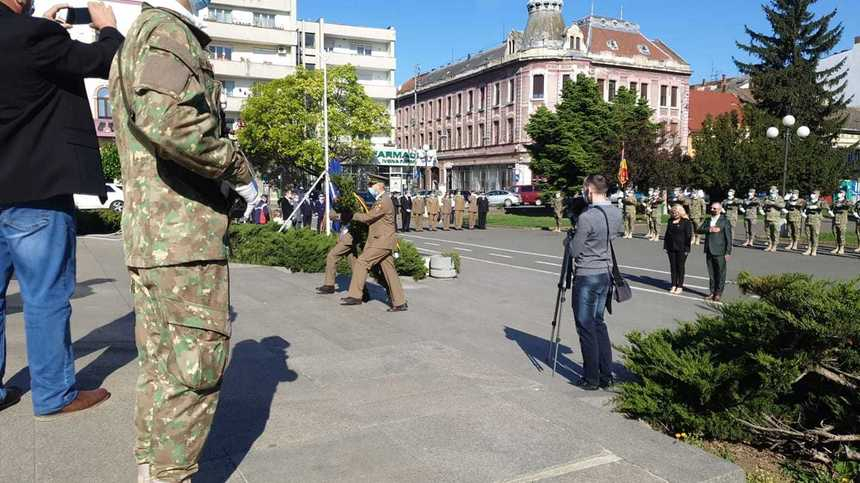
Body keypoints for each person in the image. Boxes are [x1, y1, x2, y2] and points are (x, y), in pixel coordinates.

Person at [110, 0, 261, 478]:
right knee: (193, 373)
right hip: (182, 240)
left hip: (154, 240)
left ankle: (154, 472)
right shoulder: (169, 32)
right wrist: (238, 168)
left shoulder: (139, 36)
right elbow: (170, 122)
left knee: (160, 372)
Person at [0, 0, 122, 417]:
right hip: (36, 188)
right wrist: (106, 26)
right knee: (45, 294)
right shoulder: (33, 36)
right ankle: (53, 394)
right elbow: (108, 62)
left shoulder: (29, 34)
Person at [570, 175, 622, 391]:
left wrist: (569, 239)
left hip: (587, 275)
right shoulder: (616, 212)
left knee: (586, 326)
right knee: (599, 323)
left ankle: (591, 378)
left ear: (589, 191)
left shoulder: (587, 217)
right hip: (605, 273)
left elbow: (574, 250)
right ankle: (605, 373)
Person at [341, 176, 407, 312]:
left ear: (379, 185)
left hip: (382, 241)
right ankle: (400, 302)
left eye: (372, 184)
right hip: (384, 241)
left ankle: (355, 295)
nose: (370, 187)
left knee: (362, 262)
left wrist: (352, 215)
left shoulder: (384, 201)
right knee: (389, 271)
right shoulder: (382, 200)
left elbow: (369, 217)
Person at [696, 202, 733, 302]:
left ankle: (718, 293)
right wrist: (709, 229)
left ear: (720, 210)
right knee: (711, 273)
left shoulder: (725, 221)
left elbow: (729, 238)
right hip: (709, 250)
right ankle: (712, 292)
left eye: (714, 209)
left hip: (720, 251)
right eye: (711, 208)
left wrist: (728, 252)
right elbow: (698, 230)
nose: (712, 210)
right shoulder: (708, 220)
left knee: (720, 273)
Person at [663, 204, 693, 295]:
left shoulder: (686, 222)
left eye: (676, 212)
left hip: (682, 248)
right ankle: (673, 285)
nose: (674, 214)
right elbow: (667, 234)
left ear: (680, 212)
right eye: (673, 212)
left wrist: (687, 249)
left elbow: (688, 236)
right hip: (671, 247)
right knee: (673, 267)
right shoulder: (670, 221)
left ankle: (680, 286)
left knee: (680, 267)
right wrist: (665, 246)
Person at [829, 189, 852, 255]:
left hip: (842, 220)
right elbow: (830, 208)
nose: (838, 194)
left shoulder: (846, 201)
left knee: (842, 234)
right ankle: (837, 247)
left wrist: (841, 204)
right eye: (838, 193)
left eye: (840, 193)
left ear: (843, 194)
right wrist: (830, 211)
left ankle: (842, 248)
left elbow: (850, 203)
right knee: (836, 233)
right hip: (835, 219)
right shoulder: (835, 201)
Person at [761, 186, 785, 252]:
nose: (772, 190)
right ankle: (769, 245)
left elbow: (783, 205)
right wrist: (762, 209)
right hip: (767, 217)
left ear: (777, 190)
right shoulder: (767, 197)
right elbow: (762, 204)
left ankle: (774, 246)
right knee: (768, 233)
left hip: (775, 218)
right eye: (771, 189)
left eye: (773, 189)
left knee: (775, 233)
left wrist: (774, 203)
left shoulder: (779, 198)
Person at [802, 191, 825, 256]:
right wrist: (803, 213)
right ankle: (809, 248)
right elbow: (803, 208)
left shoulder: (820, 201)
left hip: (816, 220)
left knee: (815, 235)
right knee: (808, 235)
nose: (812, 195)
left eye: (814, 194)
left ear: (817, 195)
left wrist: (817, 207)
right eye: (812, 193)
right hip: (808, 219)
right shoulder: (808, 201)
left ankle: (814, 249)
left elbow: (824, 206)